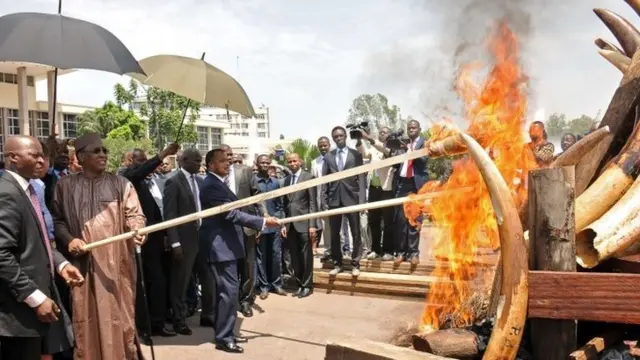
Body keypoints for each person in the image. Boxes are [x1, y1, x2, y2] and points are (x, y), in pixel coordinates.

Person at [51, 132, 147, 360]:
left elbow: (135, 215)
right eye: (96, 151)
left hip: (117, 264)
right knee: (85, 318)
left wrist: (138, 230)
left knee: (120, 317)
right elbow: (57, 220)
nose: (103, 154)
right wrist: (69, 240)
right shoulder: (64, 186)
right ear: (81, 157)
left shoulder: (121, 184)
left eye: (104, 150)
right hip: (81, 264)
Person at [0, 136, 83, 360]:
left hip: (33, 302)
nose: (41, 161)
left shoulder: (29, 189)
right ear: (13, 158)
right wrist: (34, 296)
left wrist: (60, 263)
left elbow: (38, 239)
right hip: (17, 309)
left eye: (42, 156)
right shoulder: (6, 193)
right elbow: (1, 255)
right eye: (34, 155)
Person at [200, 149, 280, 353]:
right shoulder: (210, 185)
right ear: (210, 165)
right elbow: (230, 214)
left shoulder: (218, 183)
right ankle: (224, 337)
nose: (227, 164)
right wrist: (262, 222)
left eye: (228, 160)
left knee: (228, 292)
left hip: (228, 246)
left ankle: (226, 332)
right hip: (220, 247)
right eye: (222, 161)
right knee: (228, 293)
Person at [122, 144, 179, 342]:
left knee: (159, 282)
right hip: (137, 242)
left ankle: (158, 322)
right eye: (140, 160)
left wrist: (164, 235)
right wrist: (163, 154)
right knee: (142, 285)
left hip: (154, 240)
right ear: (129, 162)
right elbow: (138, 173)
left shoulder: (149, 182)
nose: (145, 165)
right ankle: (144, 327)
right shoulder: (126, 178)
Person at [216, 144, 266, 318]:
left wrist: (261, 218)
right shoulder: (214, 177)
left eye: (230, 155)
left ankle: (246, 300)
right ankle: (229, 301)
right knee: (228, 266)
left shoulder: (245, 171)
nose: (228, 158)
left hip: (246, 227)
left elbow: (257, 196)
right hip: (224, 229)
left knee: (248, 265)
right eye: (224, 155)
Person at [163, 148, 203, 336]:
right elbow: (169, 215)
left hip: (199, 238)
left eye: (200, 160)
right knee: (180, 282)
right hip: (183, 242)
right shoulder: (173, 181)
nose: (199, 163)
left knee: (193, 281)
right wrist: (175, 243)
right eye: (196, 160)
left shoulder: (199, 181)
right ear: (183, 160)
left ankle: (196, 310)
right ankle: (179, 320)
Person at [323, 126, 366, 277]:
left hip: (352, 198)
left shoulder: (355, 155)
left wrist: (362, 200)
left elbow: (361, 177)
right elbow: (324, 181)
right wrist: (324, 201)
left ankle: (356, 263)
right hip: (334, 200)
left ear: (345, 136)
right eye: (336, 136)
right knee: (335, 234)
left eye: (341, 135)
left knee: (355, 232)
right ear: (333, 138)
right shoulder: (328, 156)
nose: (339, 138)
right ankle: (337, 263)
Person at [281, 153, 317, 298]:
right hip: (290, 224)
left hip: (304, 223)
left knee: (306, 255)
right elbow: (284, 204)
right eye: (289, 161)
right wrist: (283, 224)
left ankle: (307, 285)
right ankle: (300, 283)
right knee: (295, 256)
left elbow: (313, 202)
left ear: (300, 162)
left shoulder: (308, 177)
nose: (292, 163)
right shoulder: (286, 180)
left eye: (294, 161)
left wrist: (312, 224)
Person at [393, 120, 429, 266]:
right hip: (402, 183)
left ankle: (413, 253)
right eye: (409, 128)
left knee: (414, 220)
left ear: (419, 129)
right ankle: (401, 252)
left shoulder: (425, 143)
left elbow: (424, 159)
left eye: (414, 128)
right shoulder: (404, 144)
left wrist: (410, 150)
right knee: (401, 220)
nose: (411, 130)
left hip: (416, 184)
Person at [358, 127, 396, 261]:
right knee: (373, 221)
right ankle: (375, 249)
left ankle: (388, 251)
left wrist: (368, 137)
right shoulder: (374, 148)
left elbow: (384, 150)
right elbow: (363, 154)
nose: (381, 134)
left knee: (387, 222)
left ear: (389, 135)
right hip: (374, 188)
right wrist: (359, 139)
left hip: (386, 188)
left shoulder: (391, 148)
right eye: (380, 132)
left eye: (384, 132)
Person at [254, 155, 286, 299]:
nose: (265, 165)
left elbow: (280, 205)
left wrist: (282, 223)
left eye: (267, 163)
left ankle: (277, 284)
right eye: (262, 163)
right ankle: (264, 287)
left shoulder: (275, 182)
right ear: (257, 164)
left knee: (276, 255)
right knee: (261, 257)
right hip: (260, 225)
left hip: (275, 225)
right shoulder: (253, 181)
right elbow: (253, 206)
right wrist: (256, 226)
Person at [312, 137, 333, 262]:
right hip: (320, 197)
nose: (323, 148)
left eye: (325, 145)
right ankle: (328, 250)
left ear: (329, 145)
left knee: (337, 226)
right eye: (321, 146)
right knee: (326, 227)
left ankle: (340, 249)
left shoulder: (335, 158)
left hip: (334, 197)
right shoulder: (315, 162)